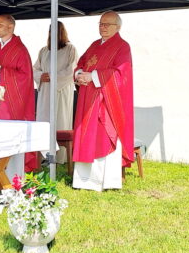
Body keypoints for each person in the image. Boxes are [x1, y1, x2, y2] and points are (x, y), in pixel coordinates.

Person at [71, 11, 134, 191]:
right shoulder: (94, 44)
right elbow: (81, 62)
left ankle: (104, 181)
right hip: (87, 99)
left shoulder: (122, 47)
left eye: (107, 24)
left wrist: (93, 76)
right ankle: (83, 180)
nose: (103, 27)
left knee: (102, 138)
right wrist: (79, 74)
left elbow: (121, 74)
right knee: (86, 136)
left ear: (118, 27)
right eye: (101, 24)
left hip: (106, 103)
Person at [0, 14, 37, 177]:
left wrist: (0, 71)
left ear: (11, 27)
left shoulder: (20, 49)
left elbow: (25, 77)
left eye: (0, 24)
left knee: (8, 137)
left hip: (11, 104)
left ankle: (11, 176)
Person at [33, 21, 78, 163]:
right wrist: (40, 76)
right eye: (50, 31)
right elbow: (34, 69)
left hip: (61, 91)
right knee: (44, 122)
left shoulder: (70, 49)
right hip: (45, 92)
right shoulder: (44, 51)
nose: (53, 33)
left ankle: (58, 158)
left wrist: (52, 76)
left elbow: (71, 70)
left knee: (60, 121)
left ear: (61, 32)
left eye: (56, 31)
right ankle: (43, 156)